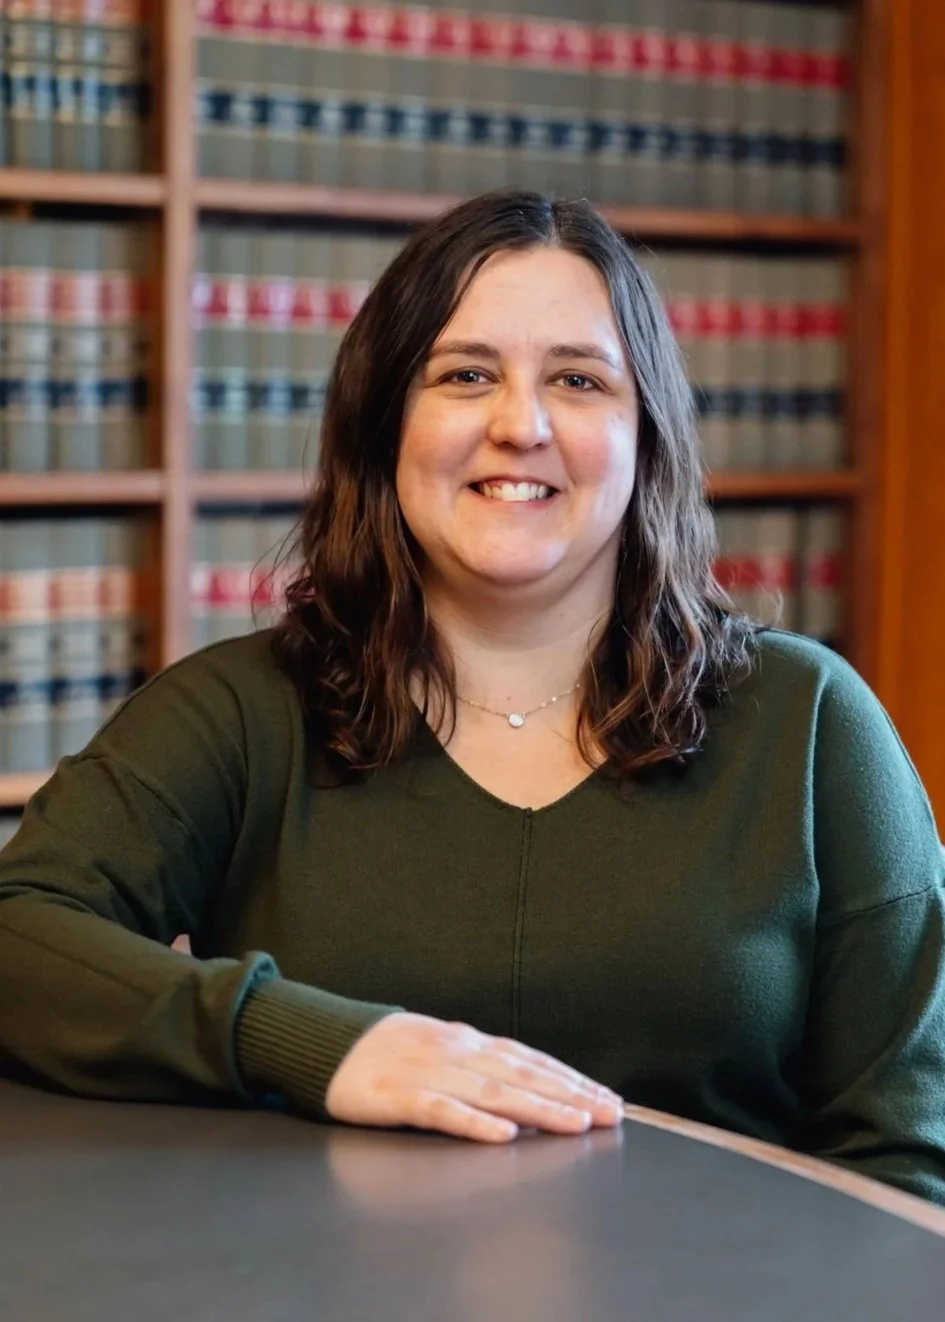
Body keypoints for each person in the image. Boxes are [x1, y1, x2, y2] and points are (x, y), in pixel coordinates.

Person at [1, 191, 944, 1205]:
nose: (520, 425)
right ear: (386, 425)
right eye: (465, 375)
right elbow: (19, 935)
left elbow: (908, 1163)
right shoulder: (240, 711)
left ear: (646, 436)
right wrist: (321, 1043)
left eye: (578, 380)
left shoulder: (811, 724)